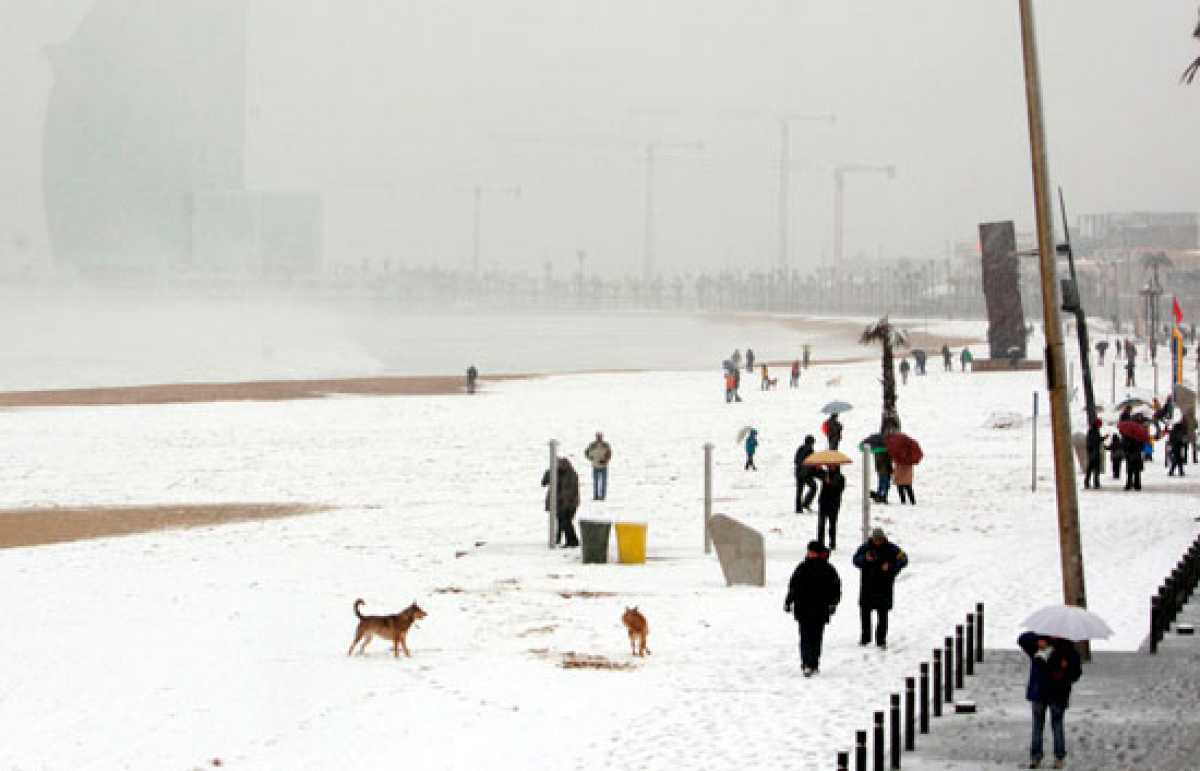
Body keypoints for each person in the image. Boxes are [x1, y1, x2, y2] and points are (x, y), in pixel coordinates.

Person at [1017, 632, 1082, 769]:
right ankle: (1049, 757)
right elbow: (1022, 639)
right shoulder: (1064, 648)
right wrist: (1037, 641)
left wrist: (1066, 668)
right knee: (1047, 725)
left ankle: (1046, 757)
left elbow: (1075, 673)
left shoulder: (1061, 649)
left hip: (1050, 692)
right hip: (1049, 692)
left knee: (1047, 725)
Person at [784, 540, 841, 677]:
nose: (809, 553)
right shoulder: (802, 567)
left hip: (820, 609)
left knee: (816, 638)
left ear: (817, 553)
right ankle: (807, 664)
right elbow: (793, 587)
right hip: (803, 609)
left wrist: (833, 603)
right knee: (805, 637)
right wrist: (788, 601)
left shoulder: (828, 569)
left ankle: (814, 663)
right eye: (808, 551)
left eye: (811, 551)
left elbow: (835, 589)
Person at [852, 528, 907, 649]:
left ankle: (881, 639)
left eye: (880, 540)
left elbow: (904, 559)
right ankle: (865, 638)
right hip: (867, 586)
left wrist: (892, 567)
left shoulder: (892, 548)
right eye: (876, 540)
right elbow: (855, 560)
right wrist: (865, 559)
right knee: (865, 613)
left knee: (883, 615)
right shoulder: (865, 547)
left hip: (884, 586)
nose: (878, 542)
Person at [541, 457, 580, 547]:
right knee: (562, 521)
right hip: (559, 502)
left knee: (565, 522)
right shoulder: (555, 473)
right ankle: (560, 539)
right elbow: (544, 482)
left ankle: (572, 541)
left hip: (569, 503)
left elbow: (569, 490)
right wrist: (549, 472)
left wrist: (565, 503)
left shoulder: (571, 474)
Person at [817, 466, 845, 550]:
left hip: (834, 503)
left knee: (832, 525)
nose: (831, 467)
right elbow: (817, 475)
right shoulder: (825, 474)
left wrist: (830, 483)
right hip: (824, 503)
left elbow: (840, 489)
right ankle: (820, 543)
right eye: (830, 465)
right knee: (821, 524)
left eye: (833, 465)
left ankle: (832, 543)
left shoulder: (841, 477)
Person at [794, 435, 818, 513]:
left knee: (799, 491)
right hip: (806, 473)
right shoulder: (810, 450)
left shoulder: (800, 448)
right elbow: (812, 462)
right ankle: (806, 503)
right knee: (814, 487)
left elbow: (796, 460)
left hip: (798, 472)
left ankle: (798, 509)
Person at [584, 431, 612, 500]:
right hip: (595, 466)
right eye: (598, 437)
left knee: (603, 482)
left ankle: (602, 496)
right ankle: (596, 496)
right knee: (595, 482)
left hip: (603, 466)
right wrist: (591, 458)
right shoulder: (592, 445)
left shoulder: (606, 445)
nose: (599, 438)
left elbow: (609, 454)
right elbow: (586, 452)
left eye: (600, 437)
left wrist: (605, 460)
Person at [1122, 426, 1144, 491]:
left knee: (1130, 471)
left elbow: (1125, 445)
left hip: (1130, 455)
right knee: (1137, 471)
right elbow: (1142, 446)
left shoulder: (1127, 437)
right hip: (1137, 455)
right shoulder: (1139, 437)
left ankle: (1129, 484)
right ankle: (1137, 485)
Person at [1084, 419, 1103, 489]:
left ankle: (1087, 482)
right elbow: (1096, 441)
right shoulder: (1094, 431)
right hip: (1094, 452)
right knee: (1096, 469)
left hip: (1091, 452)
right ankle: (1096, 483)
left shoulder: (1091, 430)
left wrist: (1102, 438)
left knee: (1090, 468)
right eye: (1100, 425)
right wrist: (1102, 439)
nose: (1100, 426)